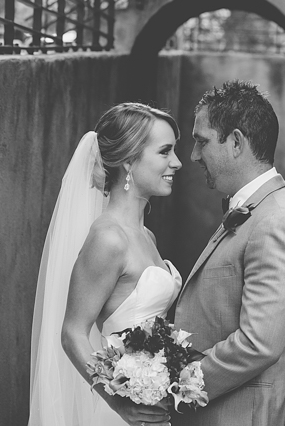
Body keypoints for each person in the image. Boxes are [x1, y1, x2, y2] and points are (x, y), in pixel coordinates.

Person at [174, 81, 285, 426]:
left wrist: (180, 385)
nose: (194, 156)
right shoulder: (260, 210)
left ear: (237, 142)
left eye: (202, 141)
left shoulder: (276, 222)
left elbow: (259, 343)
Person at [28, 102, 183, 426]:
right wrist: (117, 401)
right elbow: (73, 333)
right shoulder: (108, 239)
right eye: (165, 152)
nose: (177, 162)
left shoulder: (146, 236)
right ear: (128, 161)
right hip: (121, 415)